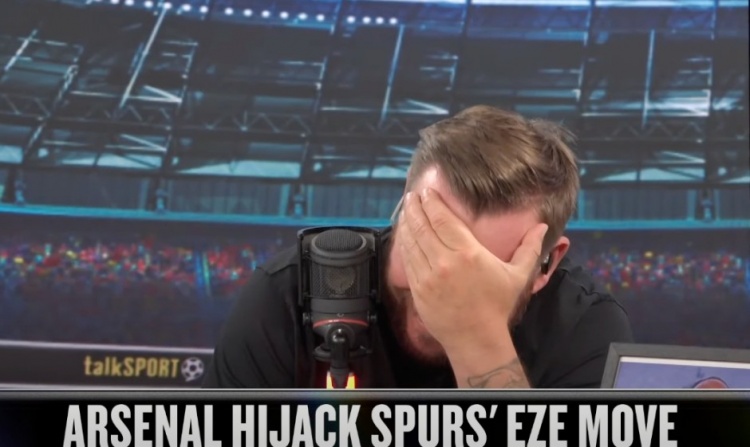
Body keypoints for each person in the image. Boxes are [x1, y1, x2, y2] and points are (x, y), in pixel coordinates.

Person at [202, 105, 634, 389]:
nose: (445, 275)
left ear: (546, 264)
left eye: (483, 264)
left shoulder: (584, 330)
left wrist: (476, 337)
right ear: (400, 215)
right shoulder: (291, 296)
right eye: (427, 240)